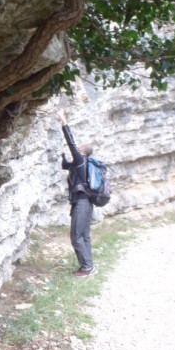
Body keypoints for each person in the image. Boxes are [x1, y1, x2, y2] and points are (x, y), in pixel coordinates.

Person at [56, 108, 96, 277]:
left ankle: (87, 268)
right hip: (84, 203)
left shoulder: (81, 161)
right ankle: (88, 266)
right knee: (84, 236)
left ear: (81, 152)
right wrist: (62, 155)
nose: (76, 149)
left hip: (82, 203)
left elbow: (71, 142)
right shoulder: (79, 164)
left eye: (78, 149)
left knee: (76, 236)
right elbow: (66, 166)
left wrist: (63, 119)